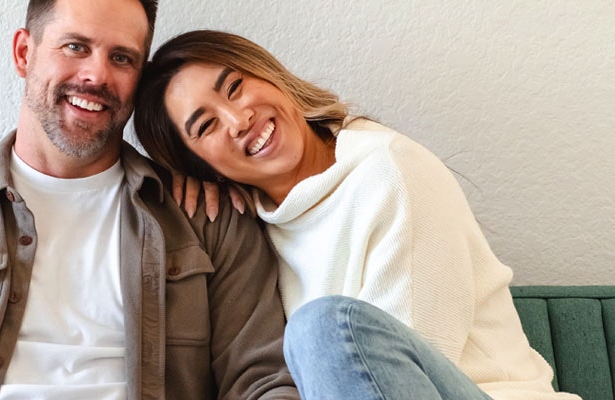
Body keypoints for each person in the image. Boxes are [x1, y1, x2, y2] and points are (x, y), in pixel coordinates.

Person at [0, 3, 300, 399]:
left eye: (122, 58)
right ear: (24, 52)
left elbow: (262, 381)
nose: (97, 74)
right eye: (76, 46)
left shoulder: (208, 218)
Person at [133, 29, 581, 399]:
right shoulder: (253, 226)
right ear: (198, 165)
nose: (238, 119)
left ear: (268, 76)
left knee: (322, 330)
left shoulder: (390, 170)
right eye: (207, 126)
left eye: (235, 87)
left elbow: (396, 370)